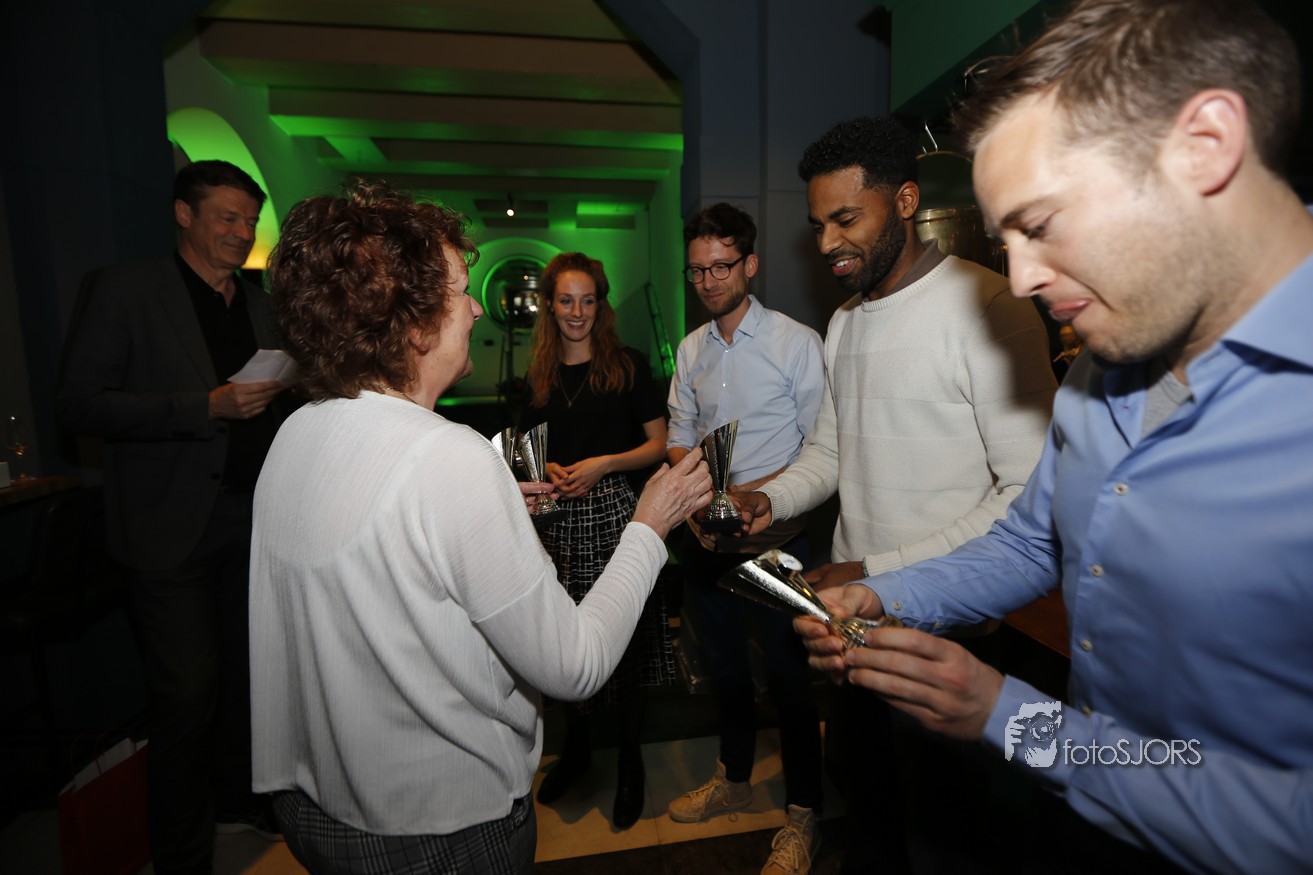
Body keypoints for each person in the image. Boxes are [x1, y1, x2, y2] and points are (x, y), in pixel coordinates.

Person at [794, 1, 1313, 873]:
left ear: (1205, 148)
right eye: (1006, 237)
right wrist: (885, 595)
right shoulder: (1099, 370)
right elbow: (1031, 542)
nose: (1023, 277)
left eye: (1039, 224)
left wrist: (1012, 718)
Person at [248, 180, 712, 875]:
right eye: (461, 291)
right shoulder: (449, 457)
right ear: (412, 324)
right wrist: (650, 522)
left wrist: (485, 507)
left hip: (317, 808)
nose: (474, 308)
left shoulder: (294, 434)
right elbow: (575, 665)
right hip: (437, 830)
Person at [734, 116, 1056, 871]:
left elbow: (1025, 496)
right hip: (850, 626)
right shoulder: (844, 322)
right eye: (817, 225)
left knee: (945, 839)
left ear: (905, 201)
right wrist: (770, 500)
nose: (827, 243)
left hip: (946, 634)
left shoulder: (990, 306)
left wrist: (878, 570)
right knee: (870, 820)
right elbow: (831, 451)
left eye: (846, 219)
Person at [57, 160, 292, 873]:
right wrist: (204, 407)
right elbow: (80, 404)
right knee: (187, 694)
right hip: (171, 529)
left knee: (248, 681)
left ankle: (238, 800)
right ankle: (182, 854)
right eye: (227, 217)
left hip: (253, 521)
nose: (241, 232)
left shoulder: (259, 305)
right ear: (184, 215)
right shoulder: (126, 290)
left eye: (249, 220)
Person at [663, 203, 826, 875]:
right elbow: (678, 436)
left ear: (750, 264)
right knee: (726, 673)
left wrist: (750, 493)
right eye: (697, 270)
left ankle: (804, 813)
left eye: (721, 266)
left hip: (779, 544)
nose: (708, 281)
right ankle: (733, 777)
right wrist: (699, 488)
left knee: (791, 683)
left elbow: (822, 447)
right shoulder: (690, 350)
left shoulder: (795, 342)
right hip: (708, 542)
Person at [519, 252, 672, 829]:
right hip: (557, 521)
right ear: (549, 305)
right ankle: (578, 750)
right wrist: (549, 467)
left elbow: (658, 444)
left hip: (614, 516)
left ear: (600, 305)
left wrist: (604, 463)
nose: (577, 312)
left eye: (588, 300)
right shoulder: (538, 373)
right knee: (563, 638)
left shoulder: (627, 365)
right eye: (566, 300)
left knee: (624, 641)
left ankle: (630, 761)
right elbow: (528, 450)